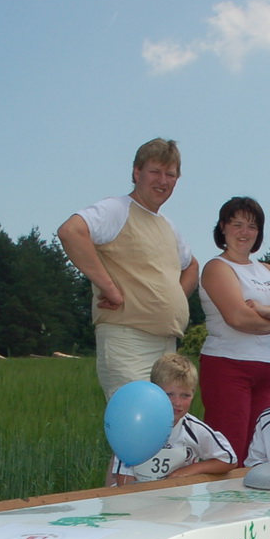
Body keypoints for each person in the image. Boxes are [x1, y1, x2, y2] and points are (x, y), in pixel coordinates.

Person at [57, 138, 198, 399]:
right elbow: (71, 232)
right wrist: (110, 289)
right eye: (155, 171)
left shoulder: (168, 225)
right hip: (128, 341)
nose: (163, 181)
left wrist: (172, 298)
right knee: (136, 424)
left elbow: (191, 266)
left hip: (167, 346)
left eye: (171, 174)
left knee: (164, 428)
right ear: (137, 173)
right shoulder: (117, 209)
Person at [196, 196, 270, 460]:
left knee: (256, 449)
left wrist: (265, 310)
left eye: (251, 226)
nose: (244, 233)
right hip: (227, 365)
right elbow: (238, 318)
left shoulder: (267, 270)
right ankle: (221, 501)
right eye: (236, 224)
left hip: (265, 367)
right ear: (223, 227)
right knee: (229, 450)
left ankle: (249, 502)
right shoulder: (217, 268)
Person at [106, 353, 237, 486]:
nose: (177, 402)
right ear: (154, 391)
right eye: (169, 394)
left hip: (178, 500)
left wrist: (189, 471)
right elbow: (124, 479)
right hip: (138, 497)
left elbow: (229, 459)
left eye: (185, 395)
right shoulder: (135, 426)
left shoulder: (194, 430)